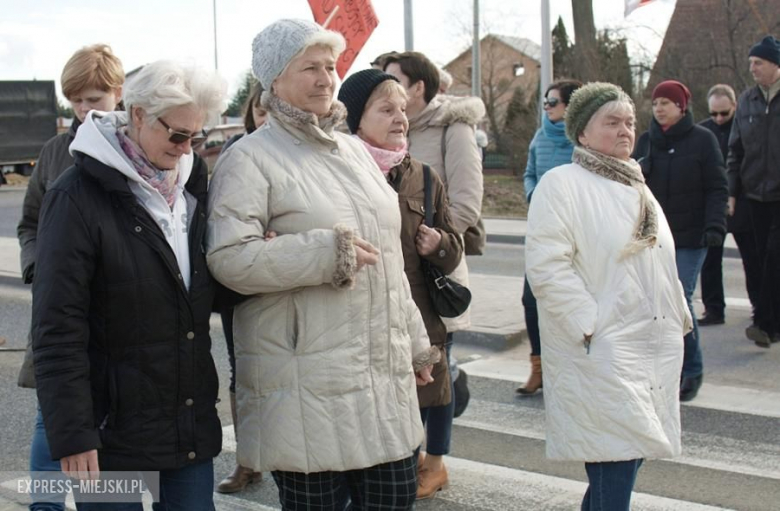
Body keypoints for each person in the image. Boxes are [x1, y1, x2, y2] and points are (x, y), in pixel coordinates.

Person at [206, 19, 438, 511]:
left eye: (330, 66)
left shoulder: (355, 151)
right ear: (273, 80)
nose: (325, 78)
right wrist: (322, 253)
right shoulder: (249, 159)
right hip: (306, 386)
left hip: (380, 380)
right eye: (309, 67)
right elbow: (228, 259)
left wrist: (417, 344)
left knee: (395, 501)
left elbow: (389, 263)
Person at [32, 60, 226, 511]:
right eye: (176, 135)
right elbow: (57, 329)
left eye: (195, 138)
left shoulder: (194, 189)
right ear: (137, 114)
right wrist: (74, 435)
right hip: (109, 440)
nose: (185, 149)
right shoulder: (74, 195)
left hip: (185, 431)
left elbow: (206, 295)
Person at [526, 82, 691, 511]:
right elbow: (547, 266)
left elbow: (658, 260)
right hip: (602, 347)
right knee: (613, 460)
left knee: (626, 455)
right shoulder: (561, 184)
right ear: (581, 132)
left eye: (630, 122)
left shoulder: (635, 182)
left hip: (648, 343)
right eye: (612, 122)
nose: (625, 130)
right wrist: (589, 323)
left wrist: (680, 317)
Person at [338, 69, 464, 500]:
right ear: (356, 118)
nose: (400, 119)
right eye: (385, 110)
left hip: (419, 320)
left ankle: (424, 468)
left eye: (403, 110)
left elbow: (456, 245)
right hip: (359, 325)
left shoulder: (424, 177)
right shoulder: (337, 173)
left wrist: (440, 245)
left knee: (416, 415)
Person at [17, 43, 124, 511]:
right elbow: (29, 225)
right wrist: (41, 270)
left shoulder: (137, 148)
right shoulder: (54, 151)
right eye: (76, 100)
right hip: (60, 317)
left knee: (108, 440)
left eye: (94, 99)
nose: (84, 110)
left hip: (117, 321)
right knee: (50, 422)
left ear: (118, 95)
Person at [384, 51, 486, 418]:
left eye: (395, 80)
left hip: (435, 263)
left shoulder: (452, 126)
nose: (387, 89)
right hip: (395, 266)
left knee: (438, 363)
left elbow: (465, 204)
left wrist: (437, 242)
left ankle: (436, 460)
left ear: (418, 87)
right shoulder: (391, 126)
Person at [633, 80, 727, 402]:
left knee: (677, 300)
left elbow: (717, 185)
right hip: (653, 237)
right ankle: (660, 369)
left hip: (690, 236)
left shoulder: (703, 140)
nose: (659, 108)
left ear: (681, 107)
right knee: (651, 304)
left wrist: (715, 224)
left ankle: (692, 369)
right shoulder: (646, 141)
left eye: (666, 103)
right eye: (656, 102)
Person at [214, 80, 266, 494]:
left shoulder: (305, 156)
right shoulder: (235, 154)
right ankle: (247, 461)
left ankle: (285, 457)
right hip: (241, 287)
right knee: (242, 374)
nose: (266, 119)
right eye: (260, 112)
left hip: (287, 284)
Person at [517, 79, 582, 397]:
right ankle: (538, 368)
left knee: (569, 303)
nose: (547, 107)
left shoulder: (583, 139)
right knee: (531, 300)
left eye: (552, 102)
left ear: (570, 107)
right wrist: (534, 194)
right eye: (545, 102)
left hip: (575, 234)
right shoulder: (540, 136)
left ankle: (572, 371)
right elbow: (529, 172)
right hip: (541, 230)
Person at [727, 35, 780, 348]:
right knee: (760, 258)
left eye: (758, 63)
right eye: (750, 63)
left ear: (775, 64)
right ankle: (772, 323)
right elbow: (735, 149)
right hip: (754, 193)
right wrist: (733, 192)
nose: (752, 68)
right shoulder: (747, 100)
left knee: (774, 256)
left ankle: (763, 323)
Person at [699, 84, 760, 326]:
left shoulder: (747, 127)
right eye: (714, 114)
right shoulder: (703, 133)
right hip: (713, 203)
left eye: (724, 113)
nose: (719, 118)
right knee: (710, 259)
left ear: (735, 106)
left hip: (743, 200)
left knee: (752, 258)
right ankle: (713, 309)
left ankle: (760, 307)